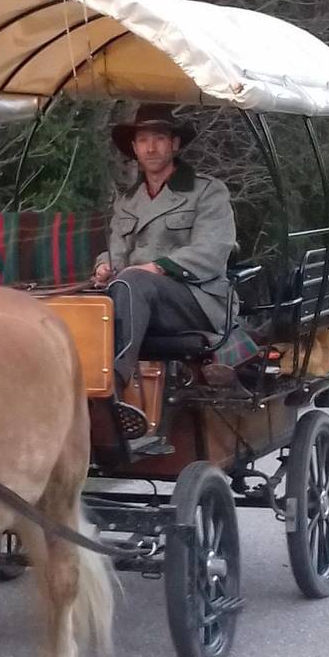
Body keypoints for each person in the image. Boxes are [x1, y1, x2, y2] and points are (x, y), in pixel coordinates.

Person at [93, 104, 236, 434]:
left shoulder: (208, 191)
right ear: (134, 148)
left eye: (159, 138)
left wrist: (157, 268)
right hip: (136, 295)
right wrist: (104, 267)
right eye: (143, 140)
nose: (151, 147)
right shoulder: (128, 200)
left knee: (133, 282)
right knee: (90, 299)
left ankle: (114, 383)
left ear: (174, 144)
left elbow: (212, 251)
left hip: (197, 299)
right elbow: (117, 253)